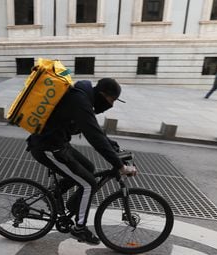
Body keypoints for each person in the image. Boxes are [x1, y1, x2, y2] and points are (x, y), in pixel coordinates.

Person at [27, 78, 137, 245]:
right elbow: (94, 137)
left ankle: (58, 195)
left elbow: (96, 130)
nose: (112, 105)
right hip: (46, 148)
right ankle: (79, 228)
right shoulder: (80, 101)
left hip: (58, 144)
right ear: (102, 94)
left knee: (89, 168)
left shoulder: (84, 99)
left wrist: (114, 148)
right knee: (89, 184)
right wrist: (119, 165)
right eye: (111, 100)